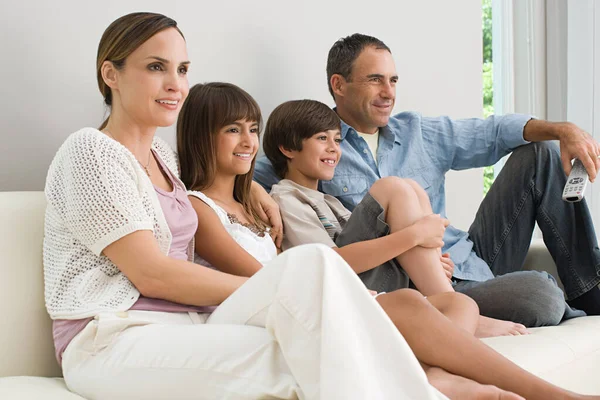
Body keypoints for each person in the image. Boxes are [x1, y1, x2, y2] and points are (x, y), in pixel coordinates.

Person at [43, 14, 450, 399]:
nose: (175, 84)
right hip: (110, 337)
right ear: (110, 74)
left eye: (182, 70)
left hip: (187, 324)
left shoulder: (163, 158)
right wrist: (280, 289)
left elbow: (219, 165)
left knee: (315, 267)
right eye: (156, 67)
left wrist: (251, 186)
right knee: (303, 350)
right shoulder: (91, 151)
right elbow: (152, 274)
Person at [176, 81, 600, 400]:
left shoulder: (270, 200)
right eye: (234, 130)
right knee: (534, 293)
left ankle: (434, 370)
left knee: (459, 300)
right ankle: (553, 395)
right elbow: (291, 270)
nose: (247, 141)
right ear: (340, 86)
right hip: (322, 290)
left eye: (252, 129)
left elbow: (490, 131)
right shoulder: (245, 199)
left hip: (379, 281)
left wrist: (427, 257)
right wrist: (415, 236)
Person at [254, 33, 600, 331]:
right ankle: (456, 309)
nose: (388, 92)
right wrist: (257, 191)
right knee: (542, 294)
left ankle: (590, 290)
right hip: (412, 281)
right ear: (339, 85)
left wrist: (563, 129)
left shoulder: (419, 131)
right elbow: (244, 174)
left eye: (393, 80)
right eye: (375, 80)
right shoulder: (312, 147)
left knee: (539, 153)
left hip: (466, 259)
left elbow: (493, 132)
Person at [263, 98, 528, 337]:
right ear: (287, 148)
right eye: (322, 139)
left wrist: (433, 262)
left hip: (381, 279)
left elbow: (380, 249)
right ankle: (450, 305)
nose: (334, 149)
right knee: (392, 188)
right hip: (350, 287)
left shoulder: (328, 200)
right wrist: (416, 236)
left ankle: (445, 297)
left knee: (412, 188)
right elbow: (331, 262)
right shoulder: (287, 199)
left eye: (337, 140)